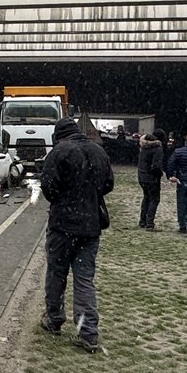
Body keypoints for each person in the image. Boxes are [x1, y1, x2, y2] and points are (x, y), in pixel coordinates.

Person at [39, 117, 114, 353]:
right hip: (90, 226)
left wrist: (66, 199)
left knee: (56, 274)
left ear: (57, 136)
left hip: (63, 226)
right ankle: (87, 332)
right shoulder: (99, 152)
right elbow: (108, 184)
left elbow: (48, 187)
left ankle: (54, 319)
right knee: (84, 279)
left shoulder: (59, 152)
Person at [136, 128, 166, 230]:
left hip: (142, 176)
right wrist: (160, 174)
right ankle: (150, 223)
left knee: (146, 198)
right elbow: (156, 166)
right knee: (154, 199)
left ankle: (142, 220)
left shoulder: (144, 146)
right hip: (151, 178)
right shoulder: (157, 148)